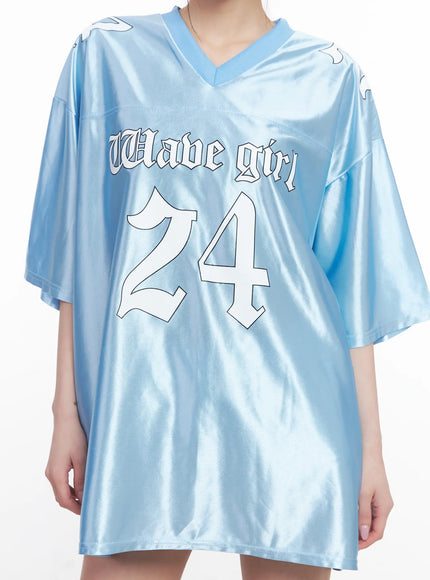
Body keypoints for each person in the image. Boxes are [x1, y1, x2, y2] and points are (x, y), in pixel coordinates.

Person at [23, 1, 430, 579]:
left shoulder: (330, 78)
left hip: (293, 417)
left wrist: (370, 450)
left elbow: (351, 289)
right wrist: (66, 412)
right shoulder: (107, 55)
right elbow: (78, 249)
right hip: (144, 411)